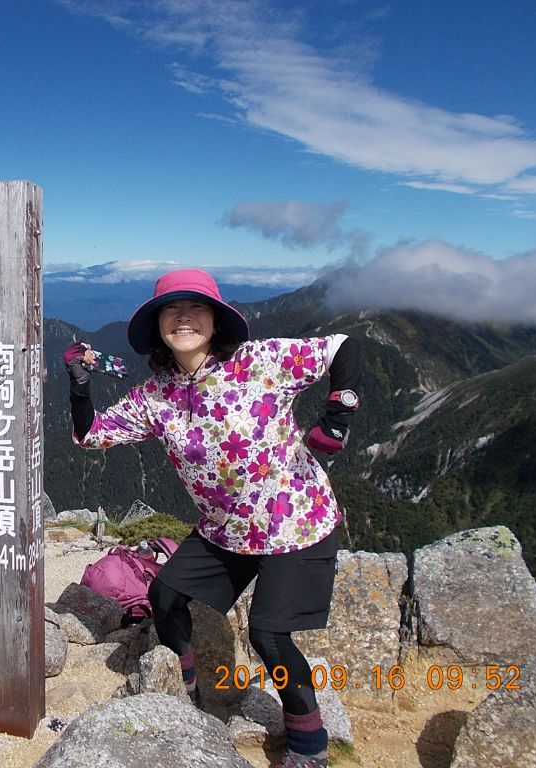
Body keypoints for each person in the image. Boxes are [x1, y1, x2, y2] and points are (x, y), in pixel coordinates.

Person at [64, 268, 360, 768]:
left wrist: (339, 413)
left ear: (217, 320)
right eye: (170, 310)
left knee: (268, 635)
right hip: (225, 530)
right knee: (165, 594)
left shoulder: (258, 361)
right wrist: (79, 384)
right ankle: (190, 685)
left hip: (296, 524)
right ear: (158, 325)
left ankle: (309, 743)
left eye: (196, 308)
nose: (183, 318)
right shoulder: (157, 395)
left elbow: (343, 348)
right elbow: (90, 433)